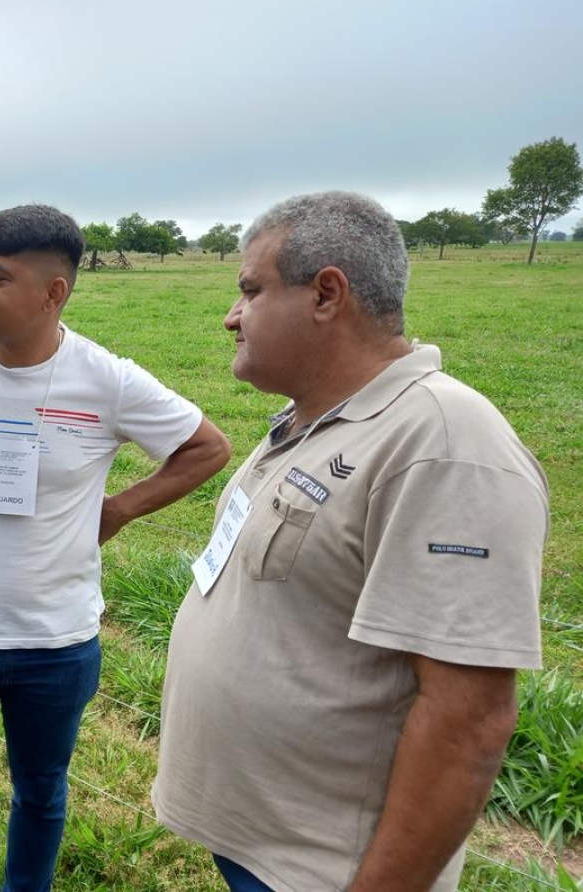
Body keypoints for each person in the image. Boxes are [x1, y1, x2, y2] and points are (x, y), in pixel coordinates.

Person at [152, 191, 548, 892]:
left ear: (326, 294)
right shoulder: (315, 419)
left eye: (251, 290)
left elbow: (469, 718)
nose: (231, 316)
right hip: (261, 847)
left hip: (325, 872)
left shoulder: (443, 445)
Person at [0, 203, 231, 892]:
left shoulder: (106, 379)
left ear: (53, 293)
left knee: (41, 796)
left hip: (56, 643)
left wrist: (120, 509)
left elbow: (207, 447)